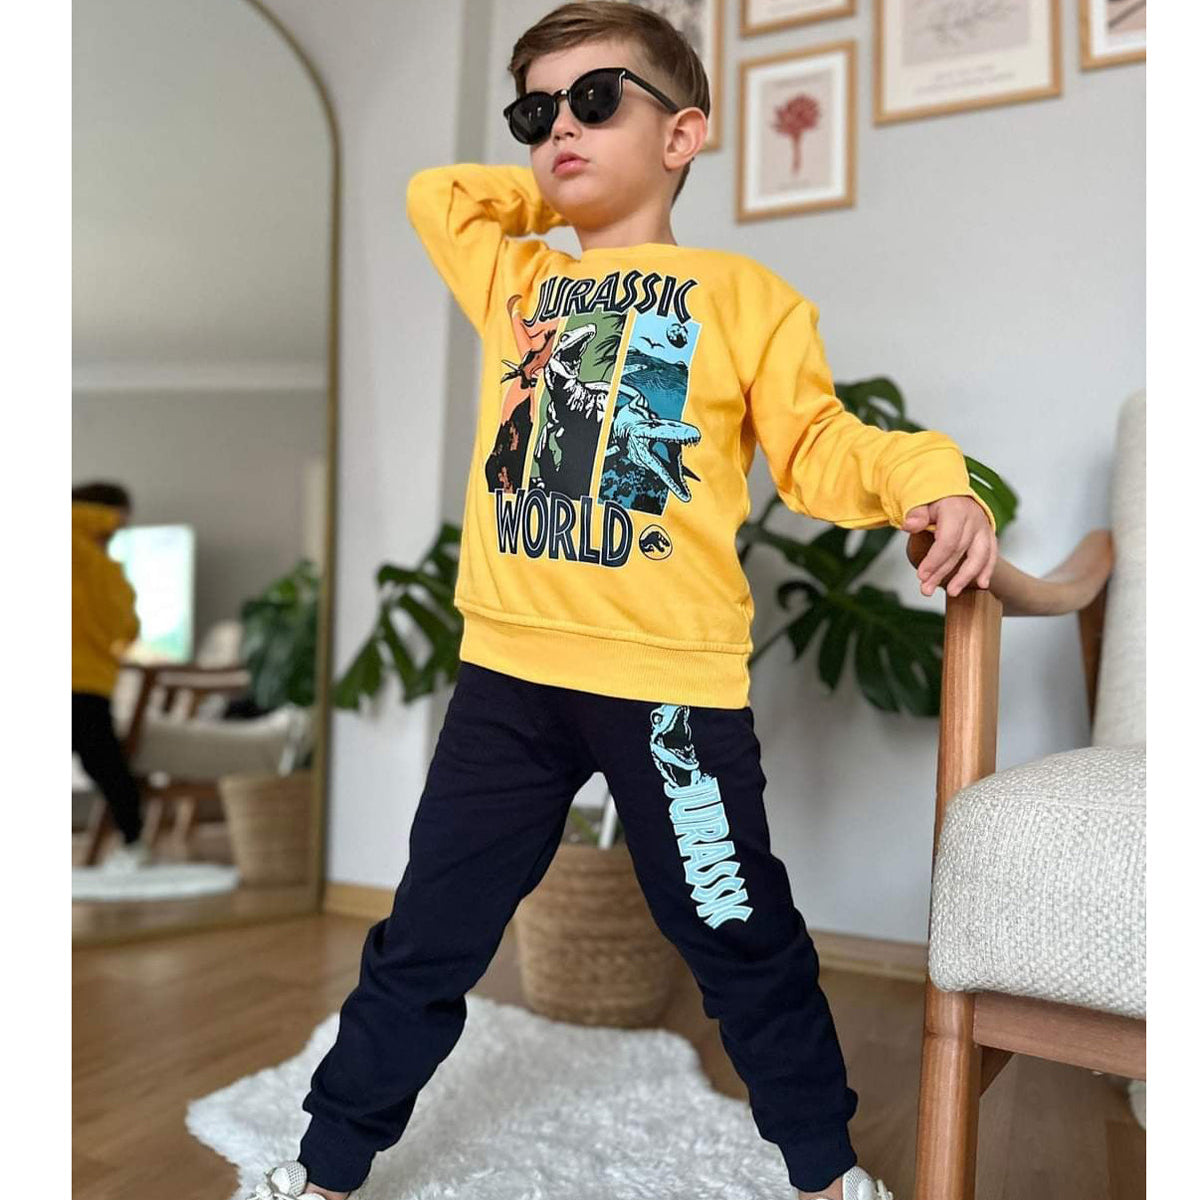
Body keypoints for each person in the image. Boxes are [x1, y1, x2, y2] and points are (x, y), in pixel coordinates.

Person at [248, 5, 997, 1198]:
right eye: (536, 112)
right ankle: (326, 1166)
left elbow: (821, 445)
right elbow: (441, 198)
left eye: (597, 102)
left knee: (742, 937)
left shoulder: (744, 297)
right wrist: (562, 187)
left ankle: (824, 1172)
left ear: (683, 133)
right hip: (508, 688)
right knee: (427, 936)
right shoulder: (519, 279)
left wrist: (931, 480)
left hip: (669, 702)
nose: (561, 128)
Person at [72, 481, 152, 872]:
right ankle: (134, 841)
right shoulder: (85, 555)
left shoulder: (91, 561)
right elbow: (126, 628)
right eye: (123, 519)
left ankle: (134, 842)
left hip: (84, 680)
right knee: (106, 763)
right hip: (83, 680)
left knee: (102, 762)